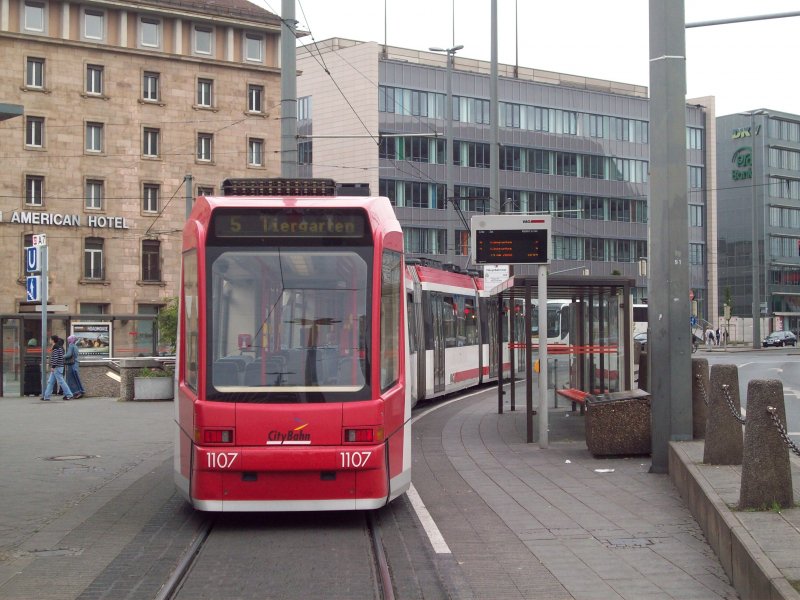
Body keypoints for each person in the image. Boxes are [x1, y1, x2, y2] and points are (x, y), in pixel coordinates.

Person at [42, 335, 73, 401]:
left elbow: (55, 358)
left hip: (57, 367)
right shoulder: (58, 347)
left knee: (61, 381)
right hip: (58, 367)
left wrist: (53, 366)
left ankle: (69, 394)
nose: (49, 340)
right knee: (50, 382)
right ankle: (46, 396)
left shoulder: (56, 348)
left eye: (50, 339)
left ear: (53, 340)